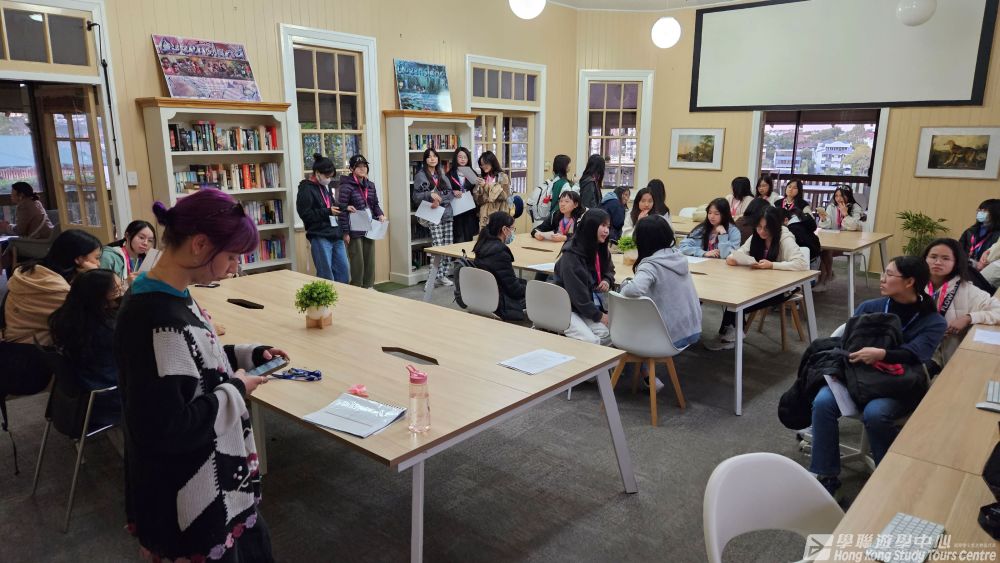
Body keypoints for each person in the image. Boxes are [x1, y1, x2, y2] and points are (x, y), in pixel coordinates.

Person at [115, 190, 288, 562]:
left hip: (208, 483)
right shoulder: (155, 318)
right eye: (232, 256)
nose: (235, 268)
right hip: (191, 494)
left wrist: (246, 355)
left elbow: (189, 363)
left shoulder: (169, 294)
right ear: (200, 245)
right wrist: (236, 390)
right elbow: (167, 427)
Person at [809, 256, 946, 496]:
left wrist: (881, 354)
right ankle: (826, 475)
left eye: (889, 274)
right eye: (884, 272)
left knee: (876, 413)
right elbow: (847, 343)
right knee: (823, 401)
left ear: (909, 282)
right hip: (859, 377)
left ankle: (888, 477)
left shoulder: (933, 321)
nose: (882, 279)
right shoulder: (870, 307)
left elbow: (916, 355)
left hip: (899, 384)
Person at [705, 207, 808, 350]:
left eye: (766, 228)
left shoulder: (784, 237)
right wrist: (733, 258)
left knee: (737, 302)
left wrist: (772, 265)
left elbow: (801, 263)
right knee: (733, 294)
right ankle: (731, 333)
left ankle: (730, 333)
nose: (762, 231)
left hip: (782, 288)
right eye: (759, 227)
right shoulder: (756, 236)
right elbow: (739, 252)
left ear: (775, 226)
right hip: (758, 283)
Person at [48, 268, 122, 429]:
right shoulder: (107, 330)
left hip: (78, 395)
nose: (121, 290)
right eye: (117, 288)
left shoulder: (66, 317)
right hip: (104, 400)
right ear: (102, 295)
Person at [2, 229, 102, 346]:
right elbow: (93, 314)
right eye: (96, 258)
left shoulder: (33, 270)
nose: (98, 264)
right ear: (79, 259)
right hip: (34, 348)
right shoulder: (57, 289)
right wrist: (94, 276)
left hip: (13, 340)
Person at [620, 215, 702, 349]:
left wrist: (625, 284)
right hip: (694, 329)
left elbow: (632, 290)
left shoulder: (651, 264)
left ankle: (638, 363)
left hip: (670, 338)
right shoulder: (678, 255)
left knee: (625, 326)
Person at [923, 238, 1000, 368]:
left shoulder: (967, 290)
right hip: (915, 349)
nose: (938, 262)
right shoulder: (914, 286)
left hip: (942, 357)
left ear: (956, 262)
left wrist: (969, 318)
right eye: (933, 257)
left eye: (945, 258)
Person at [554, 208, 615, 346]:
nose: (606, 231)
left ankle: (580, 354)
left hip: (585, 307)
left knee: (609, 334)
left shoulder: (599, 247)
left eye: (608, 226)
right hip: (567, 307)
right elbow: (578, 296)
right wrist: (599, 316)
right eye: (603, 225)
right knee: (591, 341)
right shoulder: (572, 255)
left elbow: (609, 270)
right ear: (591, 226)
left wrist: (607, 279)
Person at [296, 153, 354, 283]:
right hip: (320, 236)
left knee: (344, 273)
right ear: (317, 173)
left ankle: (342, 296)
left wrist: (345, 207)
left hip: (335, 235)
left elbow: (331, 205)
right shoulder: (306, 189)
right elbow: (305, 214)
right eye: (327, 176)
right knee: (326, 276)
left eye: (330, 176)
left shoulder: (323, 187)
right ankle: (329, 298)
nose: (329, 179)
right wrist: (327, 211)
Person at [340, 154, 386, 289]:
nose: (362, 169)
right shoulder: (346, 186)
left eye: (364, 166)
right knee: (357, 260)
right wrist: (345, 232)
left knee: (370, 258)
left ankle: (369, 286)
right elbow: (342, 210)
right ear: (351, 169)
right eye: (358, 166)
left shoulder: (370, 185)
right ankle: (357, 287)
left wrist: (380, 214)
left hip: (369, 226)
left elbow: (375, 204)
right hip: (354, 228)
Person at [472, 211, 526, 321]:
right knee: (539, 291)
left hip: (484, 295)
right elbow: (514, 290)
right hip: (502, 303)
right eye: (512, 229)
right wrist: (530, 289)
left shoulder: (482, 245)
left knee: (526, 283)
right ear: (504, 229)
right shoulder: (500, 252)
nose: (513, 232)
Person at [414, 148, 455, 287]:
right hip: (433, 214)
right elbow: (416, 197)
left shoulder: (442, 173)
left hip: (447, 213)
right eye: (429, 156)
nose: (432, 159)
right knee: (437, 246)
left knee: (448, 246)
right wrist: (430, 196)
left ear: (438, 158)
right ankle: (431, 280)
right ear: (425, 160)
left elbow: (450, 193)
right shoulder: (420, 175)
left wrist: (439, 200)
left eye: (435, 156)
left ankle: (442, 275)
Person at [817, 186, 864, 289]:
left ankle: (824, 279)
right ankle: (826, 276)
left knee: (826, 251)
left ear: (848, 196)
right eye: (836, 196)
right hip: (834, 240)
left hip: (850, 243)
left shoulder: (855, 207)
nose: (838, 199)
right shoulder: (832, 207)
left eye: (841, 196)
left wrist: (845, 214)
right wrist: (824, 219)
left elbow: (854, 226)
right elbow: (827, 226)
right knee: (822, 250)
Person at [958, 199, 1000, 293]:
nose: (980, 213)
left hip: (984, 275)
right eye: (979, 210)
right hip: (966, 270)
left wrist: (983, 264)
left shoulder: (998, 235)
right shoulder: (970, 231)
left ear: (995, 213)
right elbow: (958, 250)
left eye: (984, 211)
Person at [100, 220, 157, 286]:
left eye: (150, 240)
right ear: (127, 236)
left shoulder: (145, 260)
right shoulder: (109, 257)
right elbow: (102, 289)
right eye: (141, 237)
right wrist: (126, 283)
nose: (146, 243)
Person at [447, 147, 480, 244]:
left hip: (469, 210)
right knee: (458, 238)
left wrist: (478, 186)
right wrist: (453, 192)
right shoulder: (450, 174)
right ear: (455, 158)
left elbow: (477, 192)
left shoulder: (472, 173)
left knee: (469, 238)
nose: (462, 159)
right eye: (460, 157)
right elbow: (444, 191)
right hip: (456, 210)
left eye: (465, 157)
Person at [472, 150, 510, 228]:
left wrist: (485, 186)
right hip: (484, 217)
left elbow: (504, 196)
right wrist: (476, 190)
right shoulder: (483, 178)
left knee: (498, 234)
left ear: (492, 162)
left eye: (485, 163)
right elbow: (479, 201)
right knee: (485, 235)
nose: (483, 166)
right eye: (481, 165)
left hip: (499, 215)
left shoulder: (502, 177)